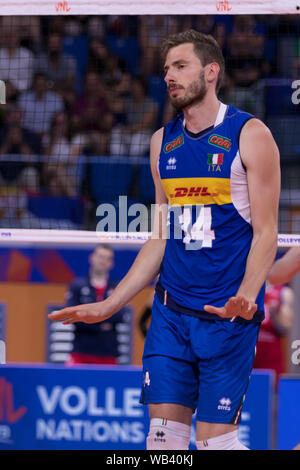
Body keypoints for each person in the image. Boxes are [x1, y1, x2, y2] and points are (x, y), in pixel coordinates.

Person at [49, 29, 280, 451]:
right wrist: (109, 303)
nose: (169, 77)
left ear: (211, 72)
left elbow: (268, 233)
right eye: (166, 70)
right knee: (162, 443)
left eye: (180, 66)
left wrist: (247, 296)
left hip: (226, 318)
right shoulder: (162, 142)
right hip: (171, 316)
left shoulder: (251, 135)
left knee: (216, 446)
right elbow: (161, 237)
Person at [64, 244, 129, 365]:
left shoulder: (117, 288)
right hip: (81, 352)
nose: (102, 261)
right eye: (100, 256)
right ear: (92, 258)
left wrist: (89, 318)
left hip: (108, 354)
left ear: (111, 263)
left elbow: (120, 316)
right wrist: (103, 323)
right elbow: (72, 316)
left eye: (107, 258)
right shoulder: (77, 285)